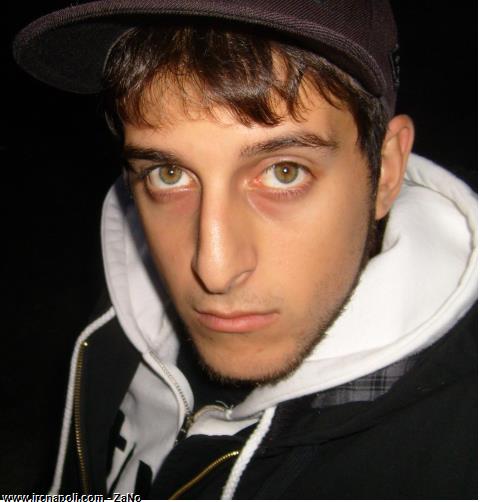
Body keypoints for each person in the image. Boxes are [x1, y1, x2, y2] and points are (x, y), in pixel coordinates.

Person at [13, 1, 477, 499]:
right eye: (169, 174)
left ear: (385, 171)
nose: (212, 269)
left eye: (284, 172)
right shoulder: (128, 300)